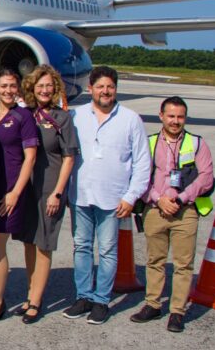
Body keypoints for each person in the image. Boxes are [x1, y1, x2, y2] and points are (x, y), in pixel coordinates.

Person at [64, 65, 151, 325]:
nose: (105, 91)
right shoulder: (76, 117)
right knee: (81, 247)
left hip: (113, 198)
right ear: (90, 88)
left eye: (110, 87)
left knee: (108, 250)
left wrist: (131, 196)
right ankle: (83, 297)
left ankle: (102, 300)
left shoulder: (130, 119)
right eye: (100, 86)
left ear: (116, 89)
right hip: (80, 194)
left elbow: (142, 163)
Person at [130, 96, 215, 333]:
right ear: (161, 116)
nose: (175, 121)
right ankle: (153, 304)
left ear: (185, 118)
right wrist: (158, 199)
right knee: (155, 260)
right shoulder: (149, 143)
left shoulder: (197, 143)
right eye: (171, 116)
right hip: (156, 209)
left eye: (180, 117)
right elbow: (139, 178)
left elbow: (206, 177)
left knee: (183, 263)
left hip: (184, 211)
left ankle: (177, 311)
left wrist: (181, 198)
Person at [17, 66, 78, 324]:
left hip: (49, 187)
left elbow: (69, 157)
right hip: (27, 186)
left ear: (55, 89)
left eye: (49, 86)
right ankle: (32, 291)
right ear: (32, 87)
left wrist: (58, 192)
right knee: (29, 241)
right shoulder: (26, 114)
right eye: (40, 86)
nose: (44, 90)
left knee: (44, 243)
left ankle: (36, 300)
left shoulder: (61, 118)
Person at [0, 69, 38, 323]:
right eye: (3, 85)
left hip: (8, 188)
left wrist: (15, 192)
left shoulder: (23, 116)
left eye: (13, 86)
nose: (8, 90)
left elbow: (30, 157)